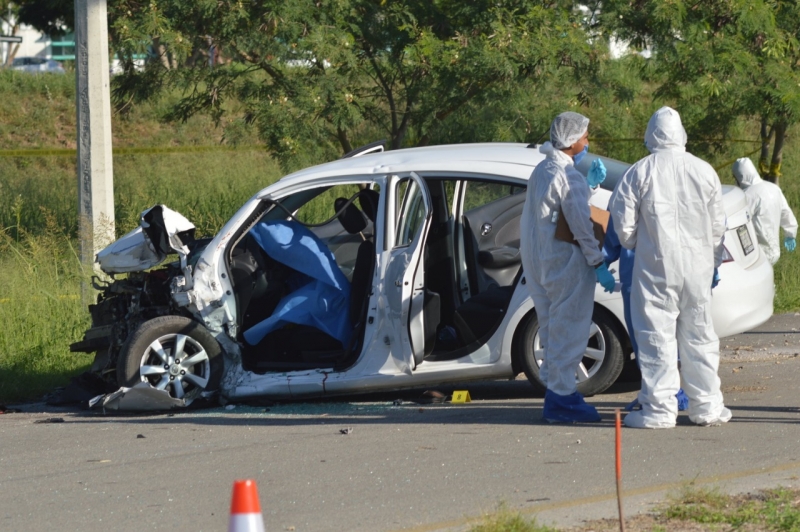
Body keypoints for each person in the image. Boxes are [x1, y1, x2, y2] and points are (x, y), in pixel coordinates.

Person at [608, 106, 731, 428]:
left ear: (651, 134)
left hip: (656, 268)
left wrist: (644, 244)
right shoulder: (704, 171)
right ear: (682, 135)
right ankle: (707, 407)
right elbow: (718, 226)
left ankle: (659, 410)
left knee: (656, 337)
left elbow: (623, 227)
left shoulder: (639, 172)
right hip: (697, 268)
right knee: (700, 337)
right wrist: (711, 261)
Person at [520, 112, 615, 424]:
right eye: (584, 137)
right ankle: (561, 398)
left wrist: (587, 187)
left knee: (552, 329)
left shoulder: (543, 169)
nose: (587, 142)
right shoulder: (567, 175)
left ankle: (555, 389)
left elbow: (556, 209)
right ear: (572, 141)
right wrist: (597, 262)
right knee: (570, 331)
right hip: (566, 265)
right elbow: (580, 224)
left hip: (540, 263)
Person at [602, 216, 689, 411]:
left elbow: (618, 225)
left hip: (639, 274)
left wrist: (601, 261)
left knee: (648, 339)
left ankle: (660, 396)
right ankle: (666, 393)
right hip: (673, 271)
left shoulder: (629, 194)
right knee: (668, 337)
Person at [732, 157, 797, 265]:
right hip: (775, 251)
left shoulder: (748, 195)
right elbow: (786, 212)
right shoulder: (774, 188)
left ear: (740, 177)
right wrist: (790, 234)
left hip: (758, 254)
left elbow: (738, 222)